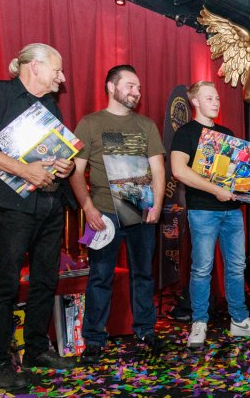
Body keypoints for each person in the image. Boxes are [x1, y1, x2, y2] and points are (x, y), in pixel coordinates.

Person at [0, 43, 76, 390]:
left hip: (50, 203)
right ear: (34, 66)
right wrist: (24, 170)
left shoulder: (50, 105)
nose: (62, 77)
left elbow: (55, 153)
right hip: (13, 206)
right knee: (6, 283)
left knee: (45, 279)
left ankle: (36, 348)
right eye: (57, 70)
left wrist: (65, 165)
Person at [69, 65, 165, 363]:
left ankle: (146, 331)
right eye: (130, 86)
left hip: (141, 212)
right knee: (100, 276)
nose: (137, 92)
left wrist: (157, 205)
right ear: (111, 87)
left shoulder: (146, 125)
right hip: (104, 215)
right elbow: (75, 171)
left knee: (143, 274)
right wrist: (88, 208)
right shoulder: (90, 123)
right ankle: (94, 339)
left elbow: (158, 169)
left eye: (139, 88)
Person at [170, 81, 250, 348]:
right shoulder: (185, 133)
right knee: (202, 268)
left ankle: (239, 320)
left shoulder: (226, 133)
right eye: (209, 98)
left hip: (233, 212)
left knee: (237, 267)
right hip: (203, 211)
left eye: (217, 98)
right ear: (195, 101)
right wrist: (216, 190)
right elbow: (179, 170)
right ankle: (199, 322)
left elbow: (238, 174)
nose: (216, 102)